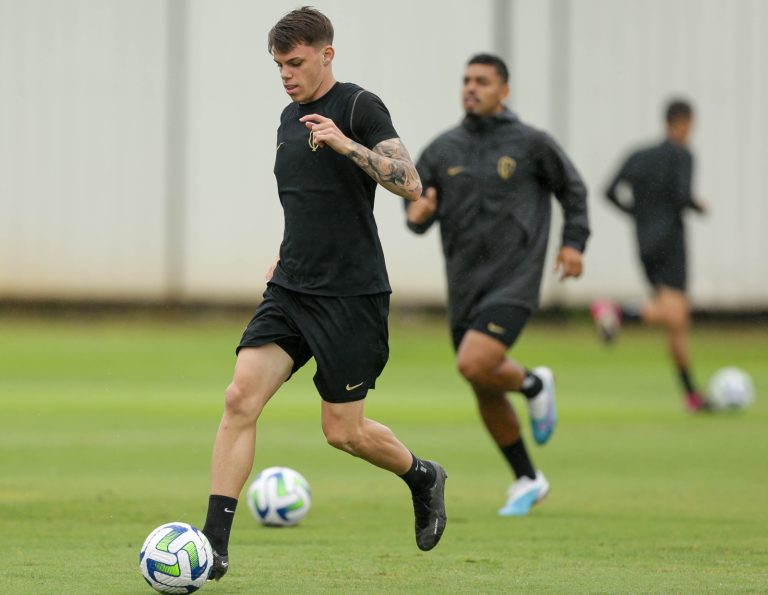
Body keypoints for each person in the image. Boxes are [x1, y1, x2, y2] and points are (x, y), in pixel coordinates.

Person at [201, 7, 447, 581]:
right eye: (279, 65)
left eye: (296, 62)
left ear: (326, 54)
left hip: (351, 296)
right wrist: (288, 251)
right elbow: (307, 201)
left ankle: (421, 476)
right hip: (292, 287)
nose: (286, 75)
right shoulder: (288, 118)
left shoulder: (358, 106)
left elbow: (410, 183)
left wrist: (347, 146)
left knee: (343, 431)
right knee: (240, 398)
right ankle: (214, 545)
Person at [405, 54, 590, 517]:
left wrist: (573, 243)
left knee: (474, 362)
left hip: (515, 279)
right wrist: (417, 216)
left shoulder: (531, 144)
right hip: (465, 284)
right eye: (466, 80)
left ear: (503, 91)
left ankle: (531, 384)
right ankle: (528, 478)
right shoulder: (442, 150)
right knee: (483, 384)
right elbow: (415, 206)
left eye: (482, 81)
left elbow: (573, 189)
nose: (471, 87)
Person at [592, 99, 708, 411]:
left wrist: (636, 214)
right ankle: (615, 312)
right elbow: (683, 196)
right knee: (674, 314)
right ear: (682, 123)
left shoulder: (639, 155)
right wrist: (698, 206)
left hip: (644, 241)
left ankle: (691, 395)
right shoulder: (682, 155)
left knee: (677, 321)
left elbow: (608, 190)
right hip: (671, 240)